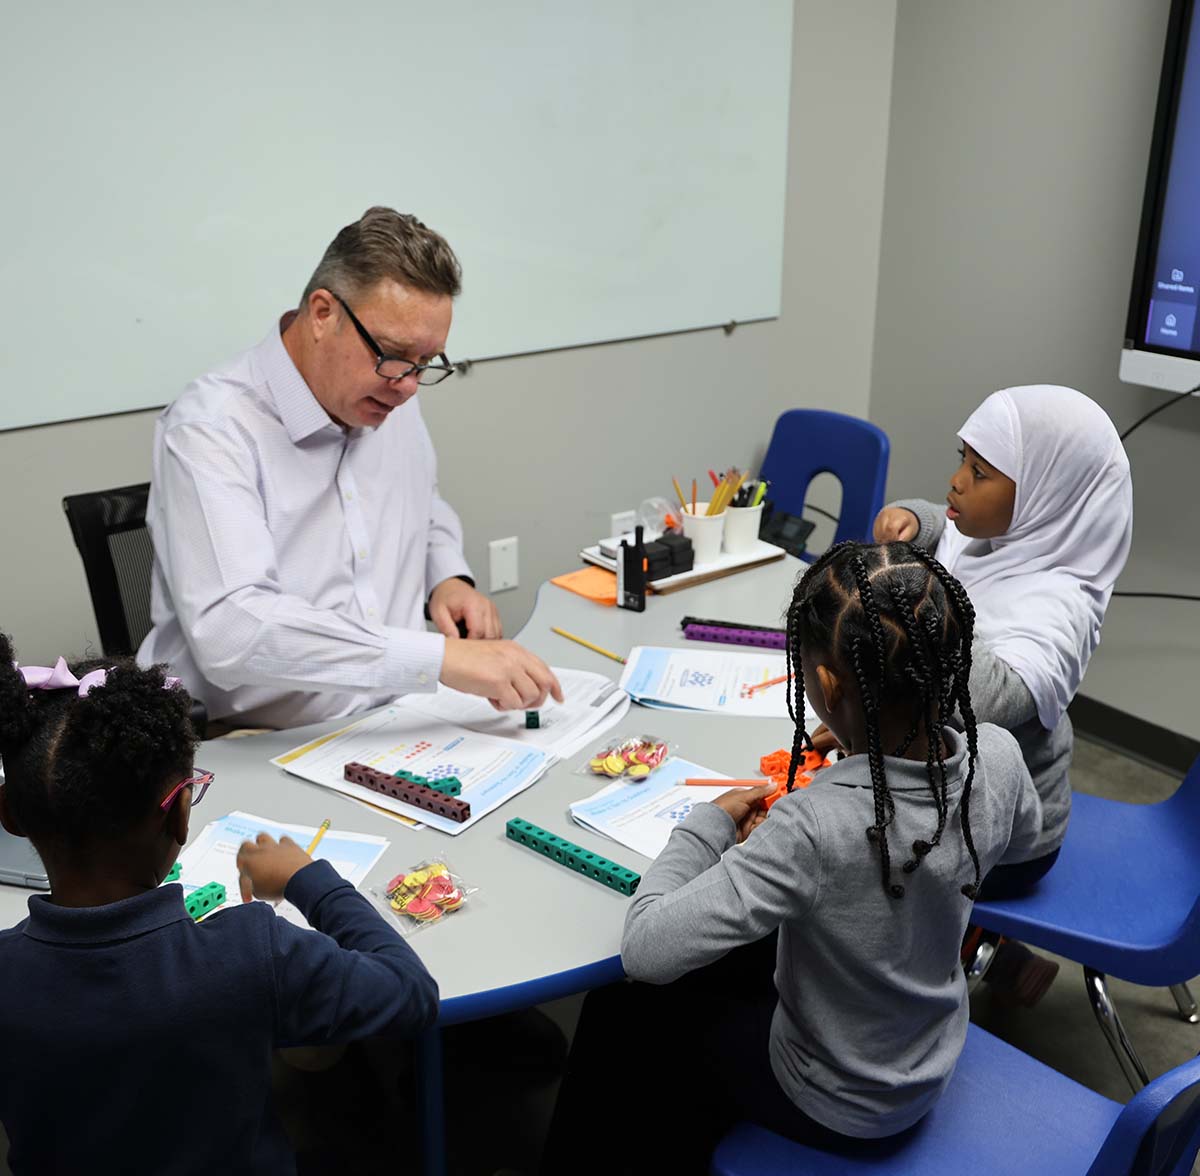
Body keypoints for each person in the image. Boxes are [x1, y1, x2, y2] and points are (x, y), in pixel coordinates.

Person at [541, 542, 1044, 1174]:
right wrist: (868, 759)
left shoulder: (810, 827)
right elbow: (1019, 839)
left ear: (829, 685)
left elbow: (646, 948)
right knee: (746, 954)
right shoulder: (995, 755)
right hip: (927, 1052)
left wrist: (709, 824)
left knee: (625, 1009)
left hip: (835, 1100)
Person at [0, 634, 439, 1174]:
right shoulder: (252, 952)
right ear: (181, 812)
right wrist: (309, 880)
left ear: (10, 816)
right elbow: (412, 993)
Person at [139, 206, 562, 729]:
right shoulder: (212, 428)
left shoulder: (386, 390)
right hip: (256, 741)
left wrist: (447, 577)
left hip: (398, 718)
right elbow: (234, 631)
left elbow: (419, 505)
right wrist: (438, 660)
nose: (408, 385)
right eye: (393, 354)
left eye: (426, 364)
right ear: (322, 314)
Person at [870, 384, 1133, 896]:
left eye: (980, 473)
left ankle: (963, 955)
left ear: (1045, 493)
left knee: (835, 856)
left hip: (1002, 837)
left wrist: (916, 602)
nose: (957, 481)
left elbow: (983, 702)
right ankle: (991, 954)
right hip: (943, 791)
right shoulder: (996, 539)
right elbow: (946, 535)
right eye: (962, 460)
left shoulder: (1060, 607)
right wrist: (915, 521)